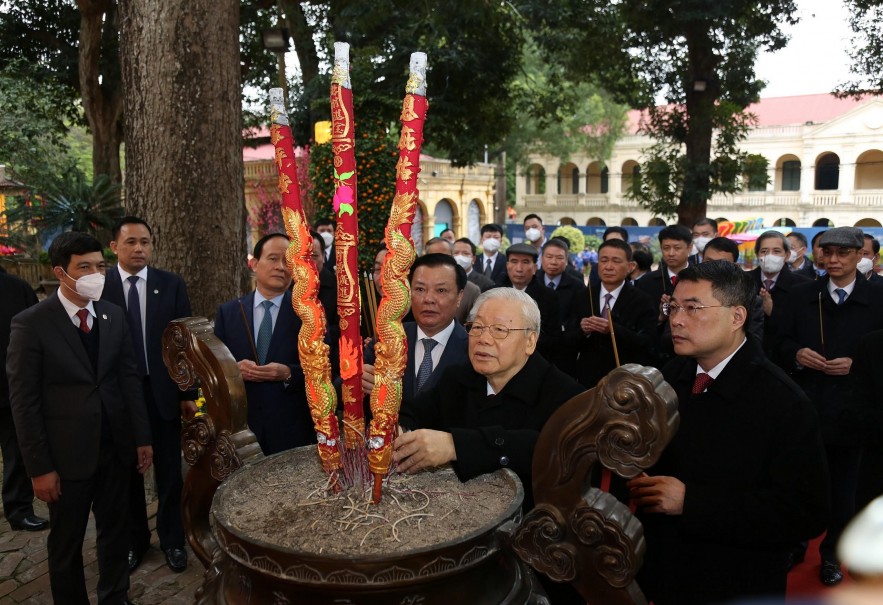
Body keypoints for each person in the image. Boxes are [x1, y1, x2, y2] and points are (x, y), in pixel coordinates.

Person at [629, 261, 829, 605]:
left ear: (737, 317)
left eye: (693, 308)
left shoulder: (782, 402)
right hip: (664, 574)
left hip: (736, 582)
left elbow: (804, 512)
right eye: (673, 307)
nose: (676, 319)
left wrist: (692, 502)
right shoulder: (668, 377)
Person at [7, 231, 153, 605]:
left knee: (115, 534)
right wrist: (38, 467)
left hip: (116, 450)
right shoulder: (32, 323)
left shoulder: (112, 315)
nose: (95, 274)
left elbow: (128, 379)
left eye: (99, 266)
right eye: (84, 267)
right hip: (64, 459)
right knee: (66, 543)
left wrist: (141, 438)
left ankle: (115, 596)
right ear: (61, 272)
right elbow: (24, 403)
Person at [395, 287, 583, 502]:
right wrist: (401, 430)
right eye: (477, 327)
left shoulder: (566, 395)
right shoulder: (457, 378)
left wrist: (455, 446)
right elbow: (415, 411)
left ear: (530, 341)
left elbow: (547, 449)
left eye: (499, 330)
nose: (483, 339)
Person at [775, 226, 883, 585]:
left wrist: (860, 361)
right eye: (827, 253)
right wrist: (796, 354)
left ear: (860, 256)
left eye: (843, 254)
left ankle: (833, 555)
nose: (833, 261)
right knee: (799, 479)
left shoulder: (879, 297)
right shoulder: (801, 293)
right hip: (804, 404)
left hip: (855, 410)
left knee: (845, 487)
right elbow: (776, 340)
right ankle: (794, 543)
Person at [102, 217, 195, 574]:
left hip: (162, 393)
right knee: (127, 475)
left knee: (170, 473)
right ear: (115, 247)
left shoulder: (170, 285)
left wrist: (188, 392)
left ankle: (173, 540)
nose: (139, 248)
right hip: (120, 398)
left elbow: (182, 344)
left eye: (145, 242)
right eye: (131, 243)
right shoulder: (101, 287)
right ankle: (135, 542)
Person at [214, 233, 314, 454]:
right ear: (254, 264)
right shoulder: (228, 313)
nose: (281, 267)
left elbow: (324, 368)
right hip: (242, 429)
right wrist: (233, 370)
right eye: (273, 258)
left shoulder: (308, 314)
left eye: (288, 261)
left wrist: (288, 373)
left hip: (291, 429)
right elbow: (214, 368)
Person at [363, 253, 469, 413]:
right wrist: (357, 379)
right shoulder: (389, 336)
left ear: (459, 296)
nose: (428, 299)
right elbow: (342, 388)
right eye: (420, 289)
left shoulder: (473, 348)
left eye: (441, 290)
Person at [0, 271, 48, 532]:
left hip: (11, 388)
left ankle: (18, 509)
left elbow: (37, 332)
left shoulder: (17, 289)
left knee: (17, 453)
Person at [577, 239, 657, 389]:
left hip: (624, 380)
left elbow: (648, 342)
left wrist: (612, 329)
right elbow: (566, 338)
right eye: (604, 260)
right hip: (586, 380)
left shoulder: (642, 300)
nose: (608, 267)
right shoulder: (583, 295)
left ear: (630, 266)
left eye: (616, 261)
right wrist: (582, 330)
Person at [496, 243, 560, 359]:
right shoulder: (493, 294)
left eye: (525, 262)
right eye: (514, 262)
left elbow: (553, 338)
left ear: (535, 268)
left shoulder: (549, 297)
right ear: (507, 265)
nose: (519, 269)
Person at [538, 238, 589, 379]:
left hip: (565, 354)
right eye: (549, 257)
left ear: (566, 261)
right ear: (541, 258)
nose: (553, 262)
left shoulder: (577, 287)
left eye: (559, 258)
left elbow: (579, 322)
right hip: (535, 352)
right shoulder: (533, 282)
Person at [424, 236, 480, 324]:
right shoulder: (414, 286)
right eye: (435, 257)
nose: (441, 262)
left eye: (446, 257)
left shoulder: (471, 290)